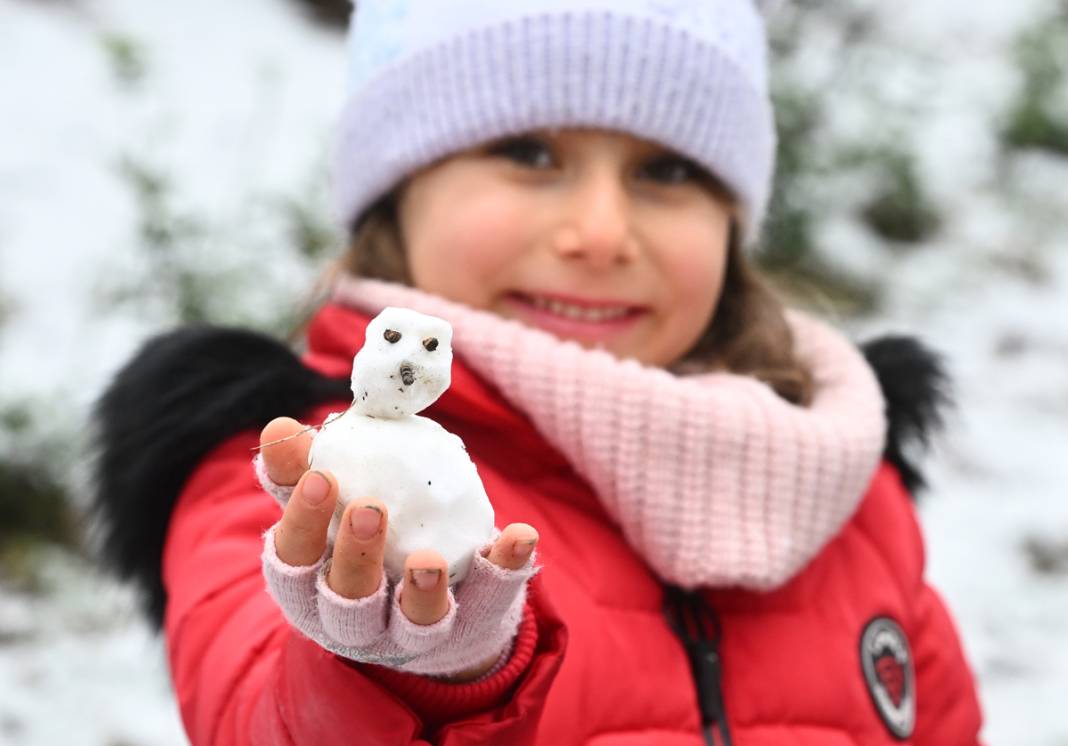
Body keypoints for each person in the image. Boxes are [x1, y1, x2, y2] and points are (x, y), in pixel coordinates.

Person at [90, 1, 985, 744]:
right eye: (529, 154)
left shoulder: (837, 477)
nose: (600, 232)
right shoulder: (297, 467)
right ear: (396, 192)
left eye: (666, 169)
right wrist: (418, 670)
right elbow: (258, 709)